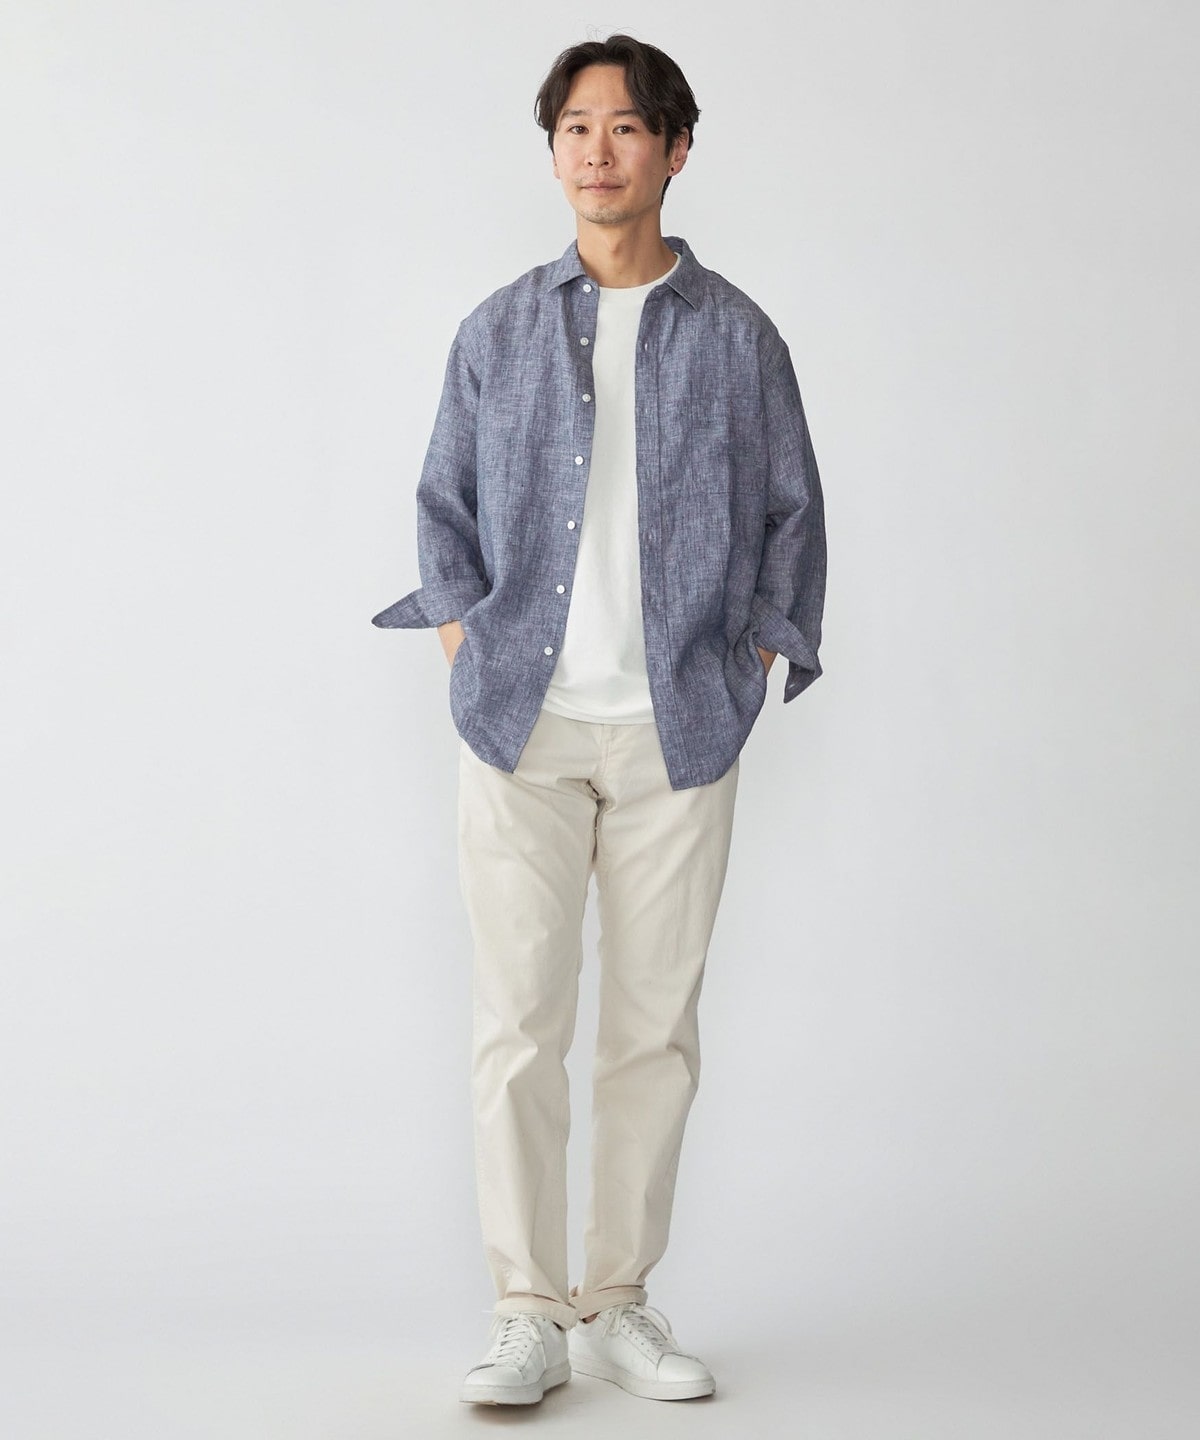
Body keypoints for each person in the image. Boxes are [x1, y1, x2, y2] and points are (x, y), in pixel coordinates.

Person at [371, 33, 827, 1406]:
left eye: (626, 127)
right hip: (522, 727)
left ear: (676, 150)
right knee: (518, 1024)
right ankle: (527, 1311)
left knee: (651, 1032)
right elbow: (443, 507)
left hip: (679, 730)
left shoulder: (738, 337)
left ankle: (615, 1299)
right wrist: (466, 642)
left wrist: (753, 658)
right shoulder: (497, 330)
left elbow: (793, 513)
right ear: (555, 149)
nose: (597, 151)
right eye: (575, 127)